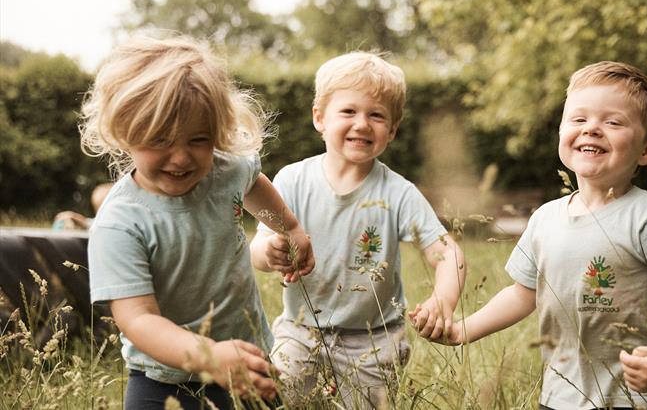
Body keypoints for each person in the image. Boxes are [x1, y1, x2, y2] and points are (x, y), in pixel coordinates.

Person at [421, 61, 647, 409]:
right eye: (579, 119)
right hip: (560, 396)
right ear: (561, 132)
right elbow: (521, 294)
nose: (592, 129)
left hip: (634, 399)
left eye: (613, 122)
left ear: (646, 151)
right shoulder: (545, 219)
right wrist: (463, 330)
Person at [79, 36, 314, 410]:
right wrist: (209, 357)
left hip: (247, 357)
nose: (181, 156)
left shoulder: (225, 170)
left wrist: (290, 228)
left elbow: (253, 184)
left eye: (199, 139)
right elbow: (137, 319)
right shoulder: (121, 223)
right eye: (160, 140)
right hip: (162, 379)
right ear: (124, 132)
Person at [249, 51, 466, 407]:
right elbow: (258, 247)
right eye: (348, 111)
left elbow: (448, 254)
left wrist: (443, 300)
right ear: (319, 117)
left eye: (376, 115)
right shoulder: (292, 179)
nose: (362, 124)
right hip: (301, 331)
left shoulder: (398, 193)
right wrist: (269, 251)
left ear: (392, 130)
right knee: (281, 399)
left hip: (374, 339)